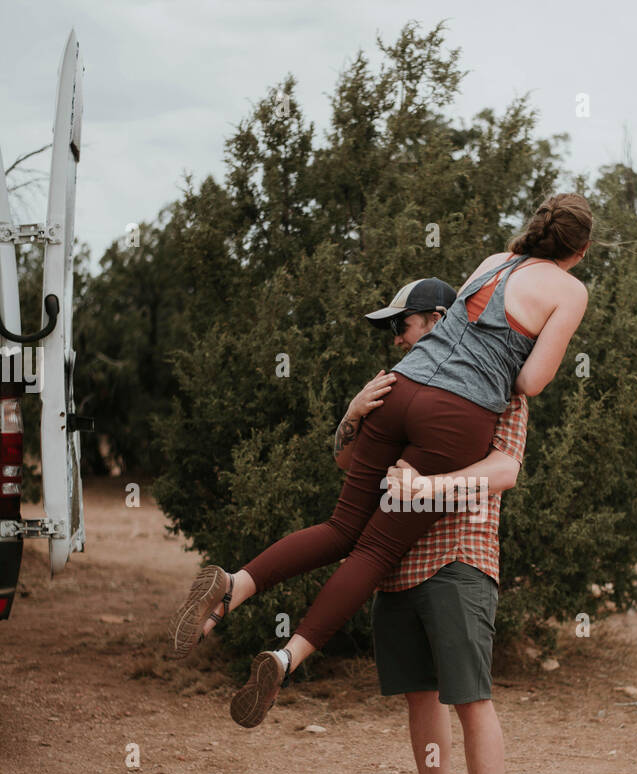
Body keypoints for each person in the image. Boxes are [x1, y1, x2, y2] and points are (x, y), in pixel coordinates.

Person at [169, 192, 591, 728]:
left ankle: (234, 583)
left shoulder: (492, 263)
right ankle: (285, 657)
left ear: (534, 230)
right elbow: (530, 381)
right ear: (580, 249)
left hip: (402, 384)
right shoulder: (570, 290)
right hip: (456, 414)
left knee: (341, 526)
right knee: (374, 550)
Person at [336, 278, 529, 774]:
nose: (397, 338)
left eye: (406, 323)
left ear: (442, 318)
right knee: (419, 692)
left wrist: (432, 489)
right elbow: (352, 469)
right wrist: (349, 417)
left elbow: (505, 470)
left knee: (470, 696)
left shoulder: (503, 382)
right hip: (395, 560)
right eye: (393, 328)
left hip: (459, 557)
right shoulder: (399, 387)